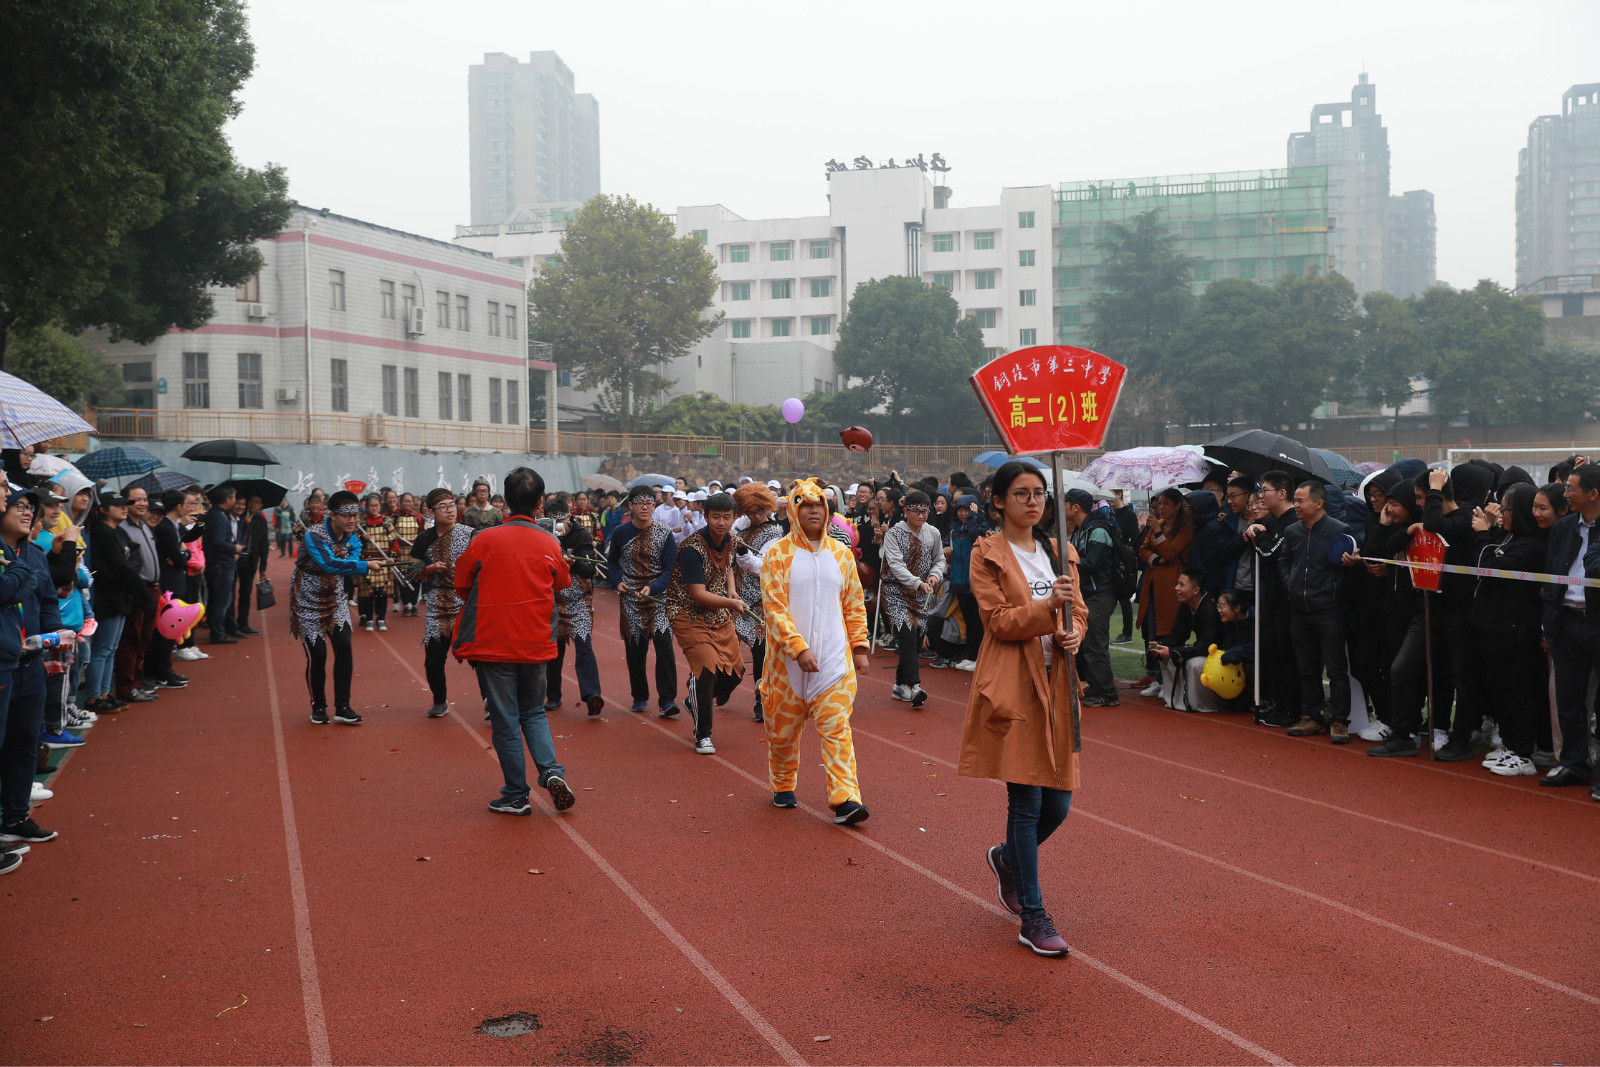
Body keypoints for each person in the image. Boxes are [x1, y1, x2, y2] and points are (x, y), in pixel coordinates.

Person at [959, 460, 1088, 958]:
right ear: (998, 501)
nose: (1033, 502)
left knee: (1059, 804)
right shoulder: (987, 552)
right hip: (1013, 682)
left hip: (1057, 684)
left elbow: (1079, 610)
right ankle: (1033, 916)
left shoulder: (1061, 550)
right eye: (1021, 493)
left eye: (1039, 493)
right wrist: (1047, 607)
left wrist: (1074, 631)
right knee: (1027, 802)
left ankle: (1008, 860)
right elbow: (998, 621)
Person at [451, 467, 576, 817]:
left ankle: (516, 795)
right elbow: (562, 583)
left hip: (493, 641)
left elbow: (462, 584)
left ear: (504, 500)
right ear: (540, 502)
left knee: (505, 720)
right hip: (535, 640)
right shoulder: (549, 542)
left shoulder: (484, 539)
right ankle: (550, 771)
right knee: (533, 712)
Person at [758, 478, 871, 824]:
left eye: (818, 504)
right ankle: (783, 783)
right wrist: (798, 648)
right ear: (794, 510)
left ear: (827, 510)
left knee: (837, 729)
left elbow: (854, 603)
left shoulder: (841, 554)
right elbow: (774, 608)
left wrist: (860, 646)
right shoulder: (777, 554)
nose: (812, 511)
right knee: (782, 734)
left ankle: (845, 799)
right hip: (786, 666)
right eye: (804, 505)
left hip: (833, 661)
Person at [0, 486, 78, 861]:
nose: (27, 512)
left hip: (30, 663)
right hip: (3, 662)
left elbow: (47, 600)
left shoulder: (34, 554)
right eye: (18, 505)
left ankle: (16, 818)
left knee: (24, 742)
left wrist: (56, 635)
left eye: (30, 507)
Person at [663, 492, 756, 755]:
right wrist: (733, 604)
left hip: (718, 611)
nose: (721, 522)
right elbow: (698, 594)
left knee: (735, 673)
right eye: (716, 516)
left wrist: (732, 590)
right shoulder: (691, 549)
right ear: (705, 517)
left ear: (734, 518)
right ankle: (703, 734)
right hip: (688, 613)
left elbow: (728, 566)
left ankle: (695, 697)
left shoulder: (732, 539)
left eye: (727, 517)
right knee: (706, 670)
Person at [1465, 484, 1547, 777]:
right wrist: (1490, 531)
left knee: (1517, 692)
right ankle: (1511, 746)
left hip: (1515, 630)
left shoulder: (1532, 546)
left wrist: (1482, 533)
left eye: (1507, 509)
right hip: (1495, 627)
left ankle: (1524, 753)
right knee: (1502, 691)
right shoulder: (1510, 538)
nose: (1502, 515)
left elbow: (1486, 565)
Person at [291, 490, 380, 725]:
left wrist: (360, 562)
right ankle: (318, 706)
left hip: (336, 599)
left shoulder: (353, 536)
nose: (353, 520)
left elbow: (353, 556)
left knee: (344, 648)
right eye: (347, 515)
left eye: (356, 515)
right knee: (318, 656)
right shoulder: (314, 535)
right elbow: (330, 564)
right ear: (332, 515)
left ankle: (343, 707)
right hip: (308, 600)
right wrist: (365, 565)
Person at [1278, 480, 1355, 743]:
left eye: (1300, 501)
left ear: (1319, 503)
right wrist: (1290, 583)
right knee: (1307, 667)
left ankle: (1340, 721)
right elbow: (1284, 560)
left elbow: (1350, 568)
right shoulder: (1292, 531)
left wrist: (1334, 590)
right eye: (1295, 500)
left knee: (1335, 668)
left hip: (1328, 610)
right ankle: (1311, 716)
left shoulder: (1340, 531)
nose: (1295, 505)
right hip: (1299, 610)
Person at [1540, 464, 1600, 791]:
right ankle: (1574, 765)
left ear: (1593, 494)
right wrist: (1550, 624)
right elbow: (1551, 575)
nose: (1565, 495)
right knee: (1569, 701)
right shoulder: (1563, 528)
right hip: (1566, 622)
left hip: (1596, 622)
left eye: (1571, 489)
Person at [606, 485, 679, 716]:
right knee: (635, 650)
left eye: (649, 503)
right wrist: (617, 581)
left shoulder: (665, 533)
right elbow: (612, 562)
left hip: (658, 597)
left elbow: (670, 569)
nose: (645, 507)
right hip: (631, 597)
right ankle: (639, 696)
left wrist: (654, 587)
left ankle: (667, 700)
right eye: (640, 503)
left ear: (654, 506)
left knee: (664, 646)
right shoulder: (620, 532)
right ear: (631, 506)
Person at [84, 495, 154, 713]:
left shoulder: (118, 532)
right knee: (103, 648)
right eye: (118, 505)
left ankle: (105, 693)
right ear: (103, 509)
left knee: (111, 648)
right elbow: (117, 567)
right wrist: (143, 594)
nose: (124, 508)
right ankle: (94, 697)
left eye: (126, 505)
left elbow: (134, 555)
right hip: (108, 597)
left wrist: (131, 578)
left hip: (122, 596)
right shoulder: (101, 532)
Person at [409, 488, 474, 718]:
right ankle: (440, 700)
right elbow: (412, 571)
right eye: (443, 507)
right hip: (438, 601)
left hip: (467, 600)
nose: (449, 510)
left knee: (479, 655)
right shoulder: (424, 539)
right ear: (431, 512)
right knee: (433, 660)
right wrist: (430, 569)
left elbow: (484, 564)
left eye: (452, 505)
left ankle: (489, 701)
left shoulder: (471, 534)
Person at [1243, 471, 1300, 727]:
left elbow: (1268, 554)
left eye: (1264, 490)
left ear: (1282, 493)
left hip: (1289, 602)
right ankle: (1282, 703)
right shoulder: (1277, 521)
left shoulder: (1290, 522)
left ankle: (1293, 709)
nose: (1260, 496)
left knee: (1289, 657)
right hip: (1275, 600)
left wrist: (1258, 534)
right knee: (1276, 654)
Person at [541, 494, 605, 718]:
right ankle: (553, 696)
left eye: (560, 519)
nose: (557, 525)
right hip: (552, 599)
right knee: (553, 650)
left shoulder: (581, 534)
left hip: (579, 600)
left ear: (569, 517)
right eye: (551, 520)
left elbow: (589, 570)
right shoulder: (542, 536)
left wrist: (574, 562)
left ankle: (592, 694)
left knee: (584, 644)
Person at [881, 489, 946, 706]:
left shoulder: (933, 533)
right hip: (896, 592)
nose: (920, 515)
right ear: (906, 511)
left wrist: (935, 575)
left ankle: (900, 685)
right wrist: (917, 583)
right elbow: (896, 566)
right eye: (916, 511)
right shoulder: (893, 534)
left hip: (922, 594)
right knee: (907, 635)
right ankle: (915, 686)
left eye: (924, 511)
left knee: (916, 639)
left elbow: (939, 560)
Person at [1135, 488, 1193, 697]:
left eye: (1166, 503)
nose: (1161, 507)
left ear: (1178, 505)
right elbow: (1142, 550)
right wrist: (1155, 559)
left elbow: (1170, 552)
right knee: (1152, 633)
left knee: (1168, 632)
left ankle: (1171, 682)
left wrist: (1158, 534)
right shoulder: (1156, 524)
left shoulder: (1185, 529)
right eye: (1159, 503)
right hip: (1152, 585)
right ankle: (1159, 680)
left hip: (1172, 587)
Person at [732, 482, 783, 722]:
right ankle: (725, 683)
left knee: (760, 651)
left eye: (759, 511)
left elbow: (762, 567)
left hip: (761, 600)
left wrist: (742, 553)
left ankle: (760, 700)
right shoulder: (741, 526)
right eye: (750, 512)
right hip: (735, 596)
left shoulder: (776, 534)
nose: (755, 516)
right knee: (726, 646)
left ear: (768, 508)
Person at [1063, 489, 1118, 707]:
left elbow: (1093, 563)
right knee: (1087, 645)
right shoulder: (1080, 530)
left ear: (1075, 507)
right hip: (1088, 594)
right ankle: (1096, 687)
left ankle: (1108, 694)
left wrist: (1067, 562)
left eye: (1065, 503)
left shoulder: (1097, 530)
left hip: (1100, 594)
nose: (1061, 508)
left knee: (1096, 645)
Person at [113, 485, 162, 704]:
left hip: (153, 588)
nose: (142, 504)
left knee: (144, 639)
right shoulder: (122, 528)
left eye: (145, 499)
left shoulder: (144, 525)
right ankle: (127, 687)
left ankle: (138, 681)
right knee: (131, 639)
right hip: (137, 590)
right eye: (136, 500)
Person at [1149, 567, 1223, 711]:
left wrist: (1174, 652)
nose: (1176, 588)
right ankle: (1176, 700)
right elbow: (1178, 635)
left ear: (1195, 590)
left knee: (1193, 664)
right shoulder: (1186, 605)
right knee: (1166, 657)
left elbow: (1207, 646)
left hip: (1220, 653)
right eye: (1178, 583)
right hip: (1205, 649)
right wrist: (1161, 645)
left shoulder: (1209, 609)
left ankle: (1201, 704)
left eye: (1181, 584)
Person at [946, 493, 985, 673]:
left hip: (975, 582)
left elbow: (977, 538)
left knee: (978, 622)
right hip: (959, 581)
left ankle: (980, 658)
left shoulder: (980, 528)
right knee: (969, 621)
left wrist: (973, 518)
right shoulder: (954, 530)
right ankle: (971, 655)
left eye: (967, 510)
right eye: (960, 510)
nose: (963, 513)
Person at [202, 484, 240, 644]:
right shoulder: (218, 516)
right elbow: (218, 542)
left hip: (217, 563)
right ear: (227, 499)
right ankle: (218, 633)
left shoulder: (216, 514)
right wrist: (235, 548)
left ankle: (217, 630)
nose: (236, 501)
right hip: (221, 564)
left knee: (217, 599)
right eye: (234, 497)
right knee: (221, 600)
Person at [354, 493, 397, 632]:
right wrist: (363, 538)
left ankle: (381, 618)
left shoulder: (387, 522)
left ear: (380, 506)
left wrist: (392, 556)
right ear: (366, 507)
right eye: (371, 506)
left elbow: (394, 541)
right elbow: (353, 543)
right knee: (367, 593)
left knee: (381, 593)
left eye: (376, 505)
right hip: (366, 561)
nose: (374, 508)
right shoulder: (361, 523)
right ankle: (368, 619)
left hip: (383, 561)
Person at [234, 495, 269, 636]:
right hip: (235, 559)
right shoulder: (238, 517)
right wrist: (244, 524)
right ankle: (228, 625)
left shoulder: (261, 521)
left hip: (250, 560)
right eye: (251, 501)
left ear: (261, 506)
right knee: (229, 593)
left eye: (257, 502)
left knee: (245, 593)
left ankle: (243, 624)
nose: (253, 504)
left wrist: (263, 567)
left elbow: (264, 544)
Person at [389, 493, 424, 617]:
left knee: (415, 579)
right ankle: (406, 605)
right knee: (403, 580)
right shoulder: (394, 517)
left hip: (415, 553)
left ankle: (414, 605)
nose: (408, 504)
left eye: (410, 502)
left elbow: (423, 534)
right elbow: (389, 534)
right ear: (400, 502)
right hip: (401, 552)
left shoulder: (418, 517)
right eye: (405, 501)